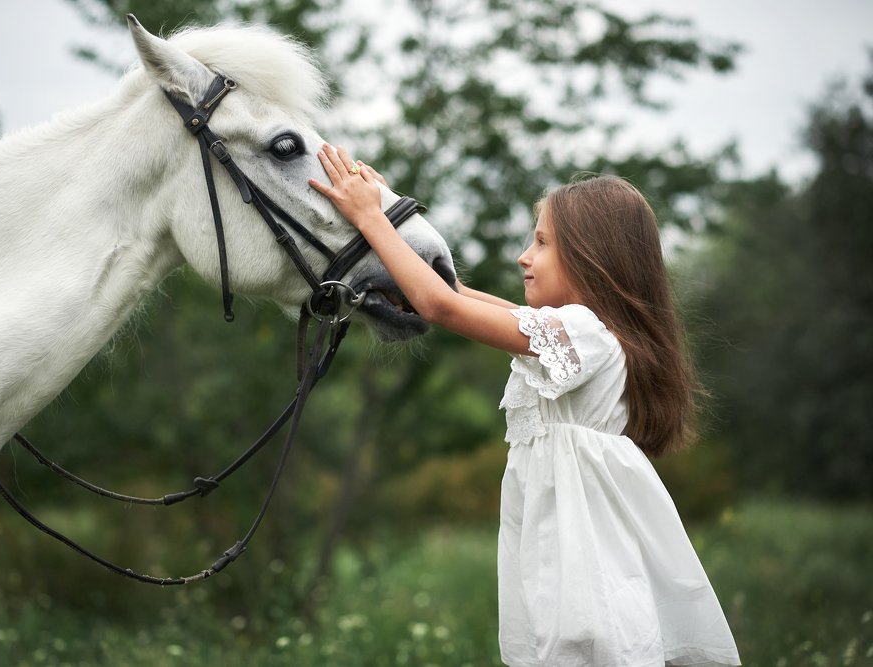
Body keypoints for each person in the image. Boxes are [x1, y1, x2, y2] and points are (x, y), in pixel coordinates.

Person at [309, 144, 741, 667]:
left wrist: (371, 218)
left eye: (540, 243)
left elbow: (439, 305)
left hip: (584, 551)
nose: (523, 256)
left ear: (591, 257)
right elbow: (458, 292)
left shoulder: (583, 334)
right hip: (563, 543)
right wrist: (392, 220)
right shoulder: (580, 334)